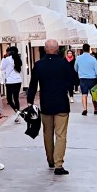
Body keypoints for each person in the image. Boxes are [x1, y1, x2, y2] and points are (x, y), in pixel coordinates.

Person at [27, 38, 80, 175]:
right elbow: (74, 80)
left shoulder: (39, 65)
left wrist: (30, 101)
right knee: (61, 134)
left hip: (46, 103)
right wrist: (64, 86)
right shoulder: (64, 64)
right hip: (61, 103)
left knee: (47, 133)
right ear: (58, 50)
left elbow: (33, 84)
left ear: (45, 49)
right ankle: (58, 164)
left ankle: (50, 159)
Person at [74, 43, 97, 117]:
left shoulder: (78, 58)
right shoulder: (93, 59)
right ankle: (95, 109)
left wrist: (79, 71)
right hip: (92, 79)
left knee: (84, 94)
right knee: (94, 94)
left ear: (82, 49)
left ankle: (85, 108)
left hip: (83, 79)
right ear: (89, 49)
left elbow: (75, 68)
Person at [0, 47, 24, 122]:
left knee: (9, 99)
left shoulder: (7, 59)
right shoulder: (18, 59)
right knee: (16, 98)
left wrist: (4, 58)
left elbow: (1, 68)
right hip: (18, 80)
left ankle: (17, 112)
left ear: (9, 52)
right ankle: (18, 115)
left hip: (10, 81)